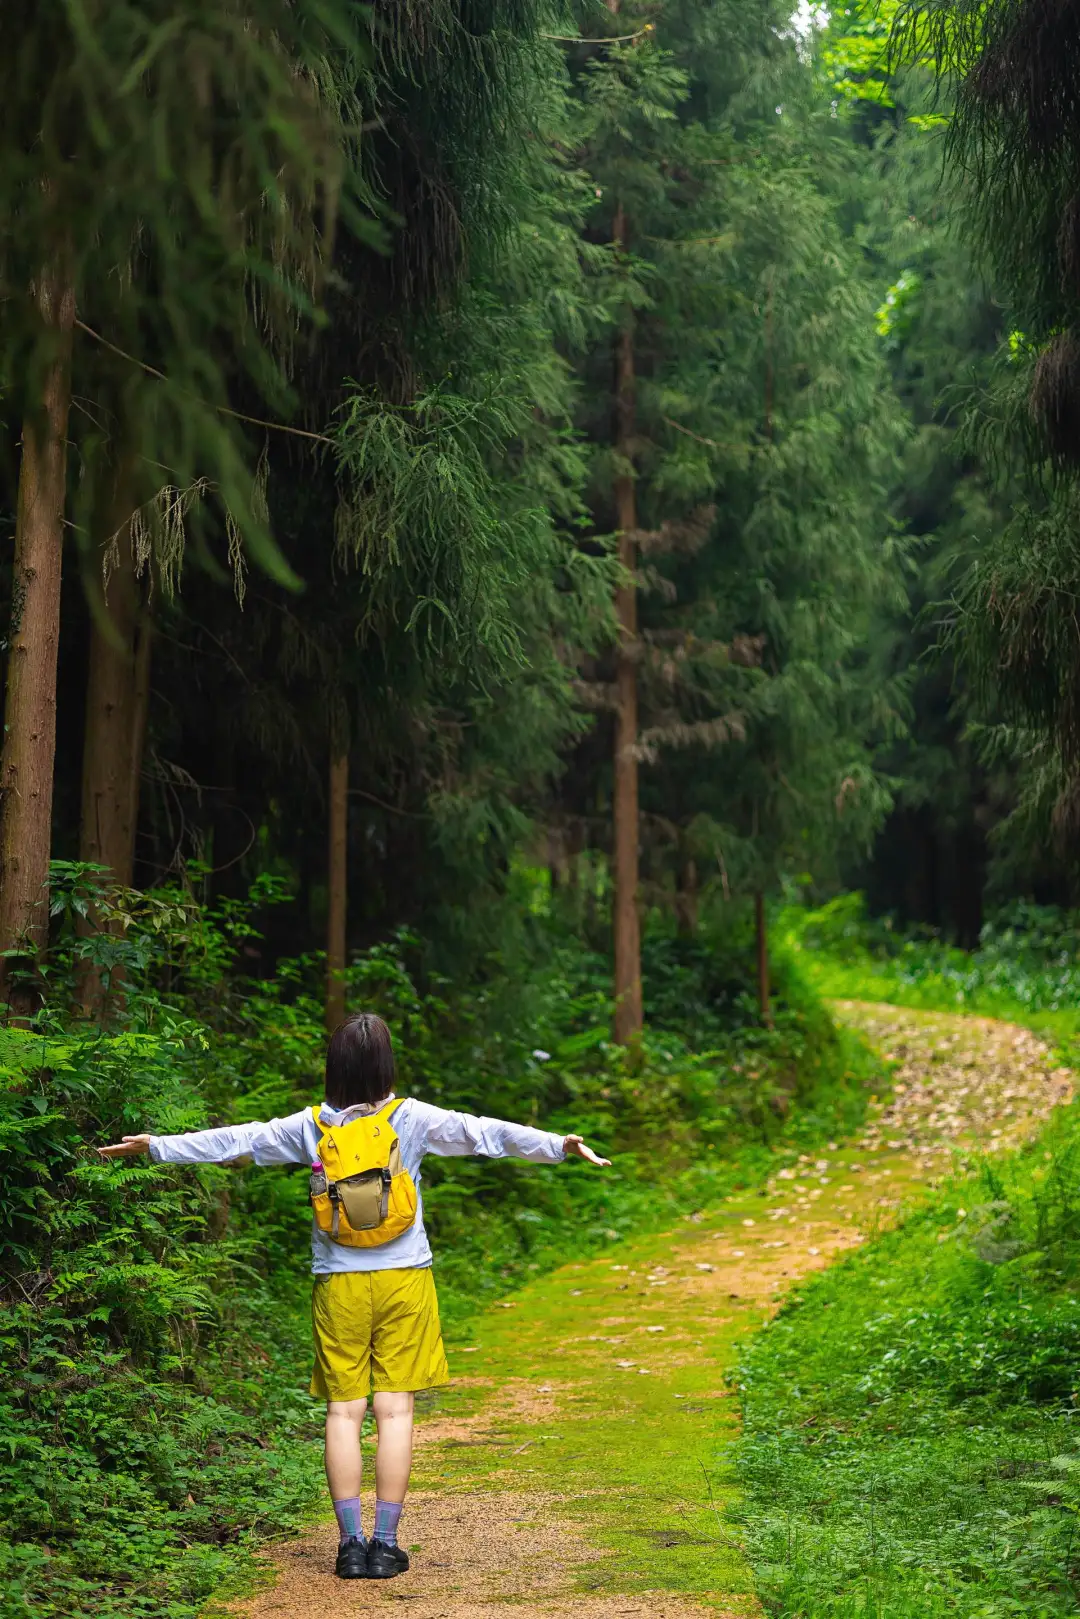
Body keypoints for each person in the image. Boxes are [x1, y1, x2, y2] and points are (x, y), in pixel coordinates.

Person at [98, 1011, 610, 1581]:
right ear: (387, 1065)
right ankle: (386, 1546)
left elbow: (238, 1139)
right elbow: (485, 1133)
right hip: (405, 1281)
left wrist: (156, 1146)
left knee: (344, 1412)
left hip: (338, 1284)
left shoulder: (311, 1126)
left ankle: (348, 1546)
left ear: (334, 1067)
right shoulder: (410, 1119)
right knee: (395, 1410)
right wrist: (560, 1146)